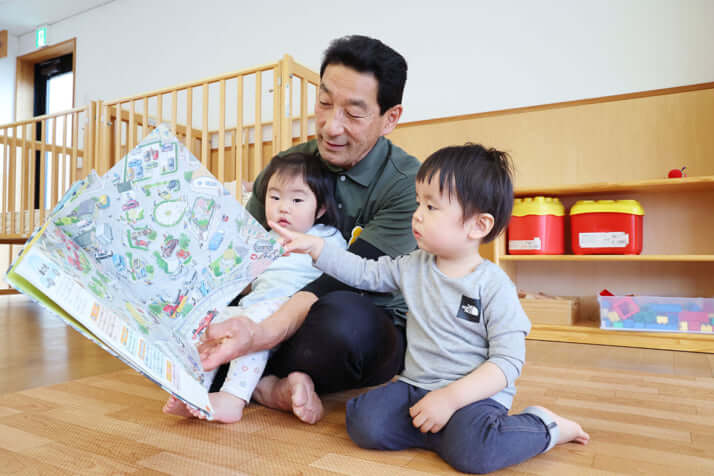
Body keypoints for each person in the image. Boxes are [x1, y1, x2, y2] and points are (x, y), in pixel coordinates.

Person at [268, 144, 590, 473]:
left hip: (472, 398)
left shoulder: (494, 286)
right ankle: (439, 433)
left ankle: (544, 426)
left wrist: (450, 400)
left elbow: (507, 363)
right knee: (364, 422)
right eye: (419, 202)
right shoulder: (413, 265)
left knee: (476, 453)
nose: (417, 214)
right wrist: (317, 248)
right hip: (417, 386)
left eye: (432, 206)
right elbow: (365, 273)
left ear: (478, 226)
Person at [198, 35, 421, 424]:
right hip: (267, 308)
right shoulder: (287, 166)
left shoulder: (406, 183)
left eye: (353, 114)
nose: (331, 127)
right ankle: (269, 387)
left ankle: (247, 377)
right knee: (193, 326)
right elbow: (243, 255)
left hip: (353, 317)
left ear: (390, 118)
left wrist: (263, 332)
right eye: (324, 103)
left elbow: (342, 280)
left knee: (346, 325)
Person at [163, 151, 346, 423]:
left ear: (320, 209)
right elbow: (244, 283)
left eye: (297, 200)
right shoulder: (263, 240)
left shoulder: (327, 237)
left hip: (288, 311)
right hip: (253, 305)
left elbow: (340, 273)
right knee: (208, 325)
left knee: (249, 326)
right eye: (275, 197)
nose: (283, 207)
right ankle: (194, 389)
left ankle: (233, 398)